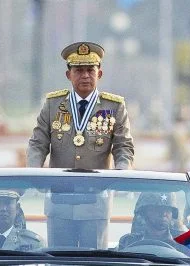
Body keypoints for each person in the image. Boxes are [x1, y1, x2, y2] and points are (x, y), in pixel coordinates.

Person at [27, 41, 134, 248]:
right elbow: (38, 143)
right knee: (58, 261)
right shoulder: (53, 105)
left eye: (90, 70)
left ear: (99, 74)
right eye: (79, 70)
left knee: (94, 263)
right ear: (69, 75)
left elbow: (124, 146)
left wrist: (122, 172)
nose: (85, 75)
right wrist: (34, 172)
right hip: (59, 202)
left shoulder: (114, 106)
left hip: (95, 202)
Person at [117, 192, 190, 257]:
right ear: (144, 213)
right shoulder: (127, 241)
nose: (163, 213)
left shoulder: (184, 243)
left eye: (168, 209)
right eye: (157, 208)